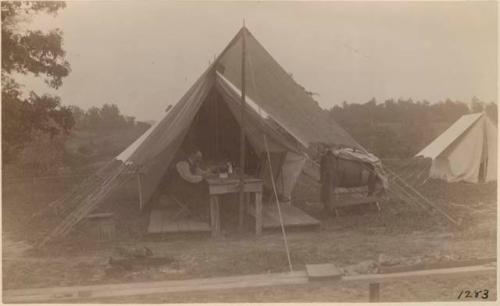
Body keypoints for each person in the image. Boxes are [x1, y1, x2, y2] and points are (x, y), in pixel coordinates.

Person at [171, 148, 210, 220]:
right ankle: (199, 214)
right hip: (179, 189)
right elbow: (189, 177)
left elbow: (199, 172)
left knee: (204, 188)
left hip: (186, 186)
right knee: (201, 190)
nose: (199, 159)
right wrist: (202, 177)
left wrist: (207, 173)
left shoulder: (193, 164)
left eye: (200, 157)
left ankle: (201, 213)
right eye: (198, 157)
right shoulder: (183, 163)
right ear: (192, 155)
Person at [320, 145, 338, 213]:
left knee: (326, 193)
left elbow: (323, 169)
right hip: (333, 178)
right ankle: (329, 207)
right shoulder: (334, 157)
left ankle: (327, 208)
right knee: (330, 192)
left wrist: (322, 178)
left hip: (327, 178)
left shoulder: (324, 157)